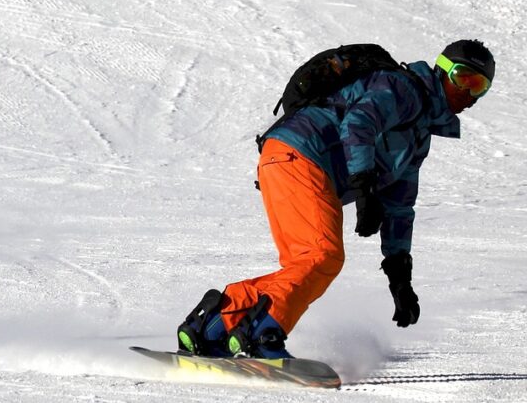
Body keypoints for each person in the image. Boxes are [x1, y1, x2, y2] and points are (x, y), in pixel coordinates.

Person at [176, 40, 495, 358]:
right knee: (323, 257)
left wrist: (400, 281)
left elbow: (400, 206)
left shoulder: (418, 135)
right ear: (442, 71)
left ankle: (213, 326)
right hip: (301, 155)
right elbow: (360, 122)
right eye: (464, 78)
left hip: (284, 159)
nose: (469, 94)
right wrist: (364, 185)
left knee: (305, 266)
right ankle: (262, 335)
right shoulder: (404, 89)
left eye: (480, 87)